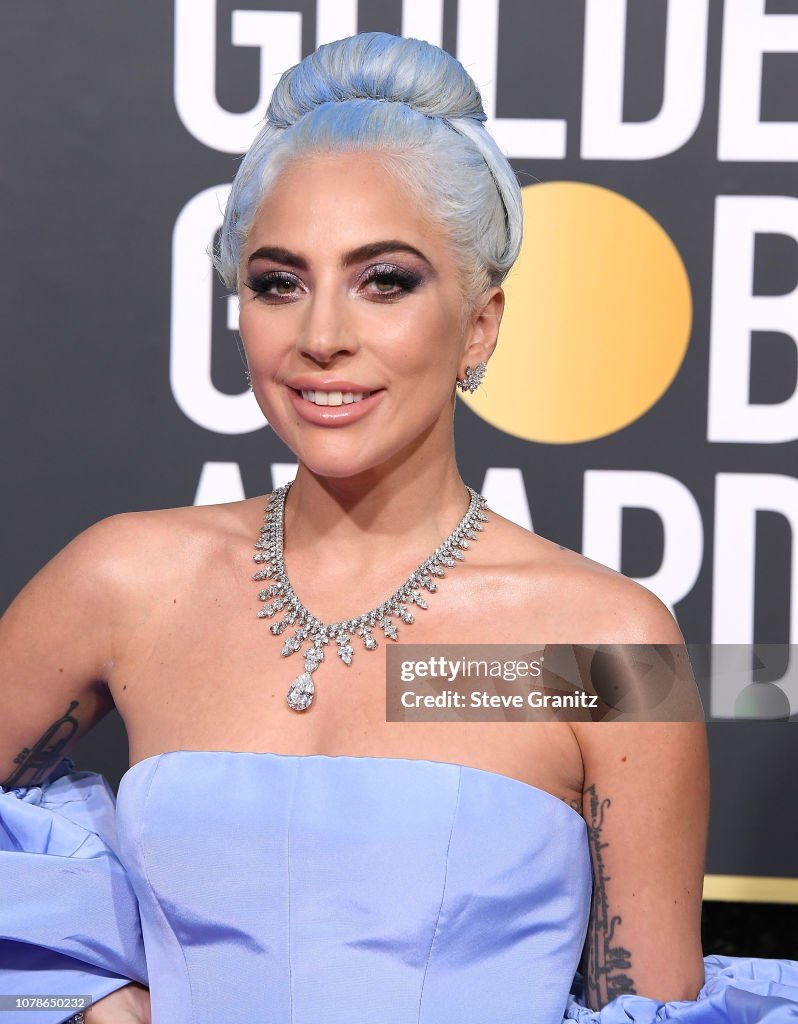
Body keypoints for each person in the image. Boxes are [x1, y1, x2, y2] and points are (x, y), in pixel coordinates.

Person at [1, 30, 796, 1024]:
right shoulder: (125, 579)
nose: (322, 335)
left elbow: (653, 1009)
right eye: (278, 281)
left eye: (386, 280)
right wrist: (83, 994)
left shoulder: (611, 644)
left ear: (480, 325)